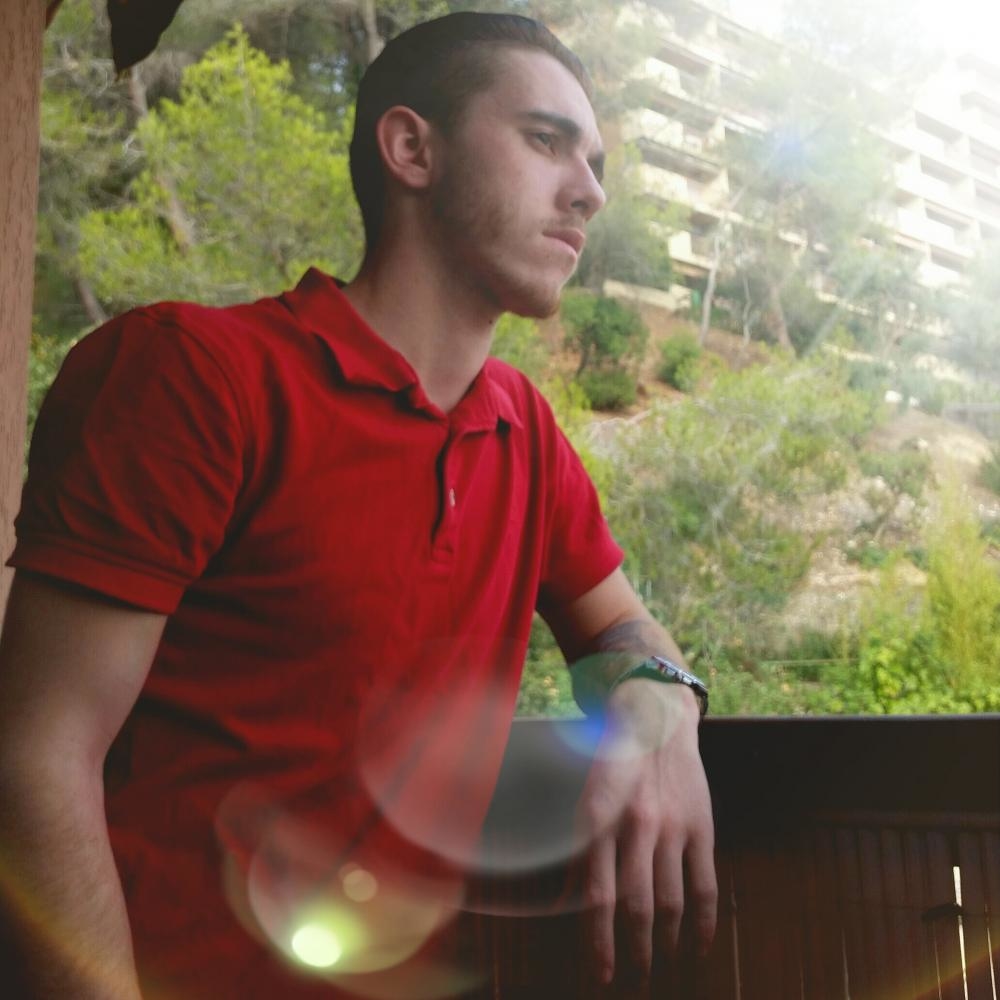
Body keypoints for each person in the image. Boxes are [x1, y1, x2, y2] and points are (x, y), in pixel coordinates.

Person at [0, 12, 716, 999]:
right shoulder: (194, 374)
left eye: (593, 163)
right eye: (545, 141)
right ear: (411, 149)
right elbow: (35, 756)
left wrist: (662, 706)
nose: (589, 191)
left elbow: (621, 625)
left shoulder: (525, 432)